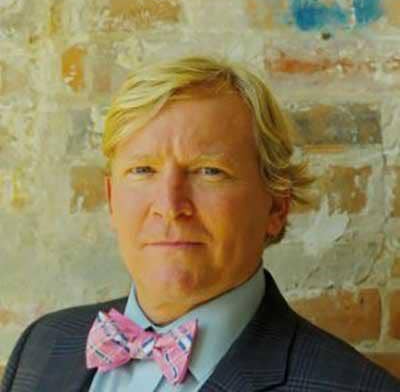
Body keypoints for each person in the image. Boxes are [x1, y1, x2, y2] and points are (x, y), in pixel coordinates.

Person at [1, 55, 399, 392]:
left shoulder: (352, 386)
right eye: (143, 170)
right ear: (111, 199)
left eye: (209, 171)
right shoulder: (41, 347)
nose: (170, 206)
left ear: (276, 206)